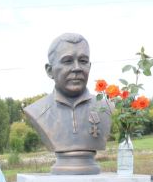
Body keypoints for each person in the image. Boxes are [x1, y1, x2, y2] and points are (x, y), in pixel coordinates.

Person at [23, 32, 112, 174]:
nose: (77, 68)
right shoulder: (37, 111)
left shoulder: (106, 108)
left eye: (83, 61)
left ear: (89, 66)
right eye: (67, 61)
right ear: (49, 70)